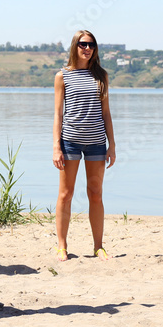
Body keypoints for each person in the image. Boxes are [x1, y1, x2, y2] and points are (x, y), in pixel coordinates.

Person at [53, 30, 116, 261]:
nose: (87, 49)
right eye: (82, 44)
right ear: (75, 47)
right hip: (69, 141)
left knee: (95, 194)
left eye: (91, 45)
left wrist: (112, 145)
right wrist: (56, 146)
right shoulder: (62, 76)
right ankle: (62, 246)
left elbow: (106, 113)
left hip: (97, 142)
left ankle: (98, 246)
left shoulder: (101, 76)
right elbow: (58, 114)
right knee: (66, 194)